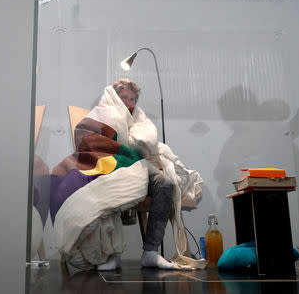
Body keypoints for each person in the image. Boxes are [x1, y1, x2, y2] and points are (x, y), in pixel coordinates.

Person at [50, 78, 205, 274]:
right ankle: (111, 255)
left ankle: (151, 252)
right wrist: (125, 154)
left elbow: (148, 147)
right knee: (111, 184)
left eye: (132, 99)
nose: (128, 103)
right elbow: (88, 141)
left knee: (165, 184)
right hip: (107, 167)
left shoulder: (140, 119)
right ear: (114, 96)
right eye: (124, 97)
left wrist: (139, 150)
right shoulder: (102, 113)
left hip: (140, 168)